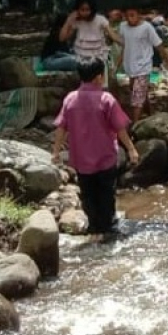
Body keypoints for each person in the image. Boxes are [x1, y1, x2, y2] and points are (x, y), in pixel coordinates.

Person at [51, 58, 140, 238]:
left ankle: (94, 225)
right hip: (105, 156)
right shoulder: (106, 99)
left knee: (88, 192)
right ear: (99, 77)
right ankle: (107, 227)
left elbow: (61, 127)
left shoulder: (70, 99)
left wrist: (56, 151)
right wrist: (131, 149)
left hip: (82, 158)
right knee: (106, 192)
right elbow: (119, 128)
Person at [118, 5, 168, 122]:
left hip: (143, 66)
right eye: (127, 16)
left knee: (136, 99)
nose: (130, 19)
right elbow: (124, 45)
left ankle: (134, 125)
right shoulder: (123, 27)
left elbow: (159, 46)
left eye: (132, 15)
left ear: (139, 15)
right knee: (137, 91)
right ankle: (150, 112)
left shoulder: (146, 28)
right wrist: (118, 63)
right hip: (130, 66)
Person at [59, 0, 121, 65]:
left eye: (87, 10)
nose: (85, 13)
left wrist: (125, 43)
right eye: (82, 10)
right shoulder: (77, 21)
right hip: (81, 59)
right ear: (77, 9)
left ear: (92, 9)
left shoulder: (100, 20)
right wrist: (68, 21)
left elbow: (113, 35)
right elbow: (62, 38)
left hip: (98, 59)